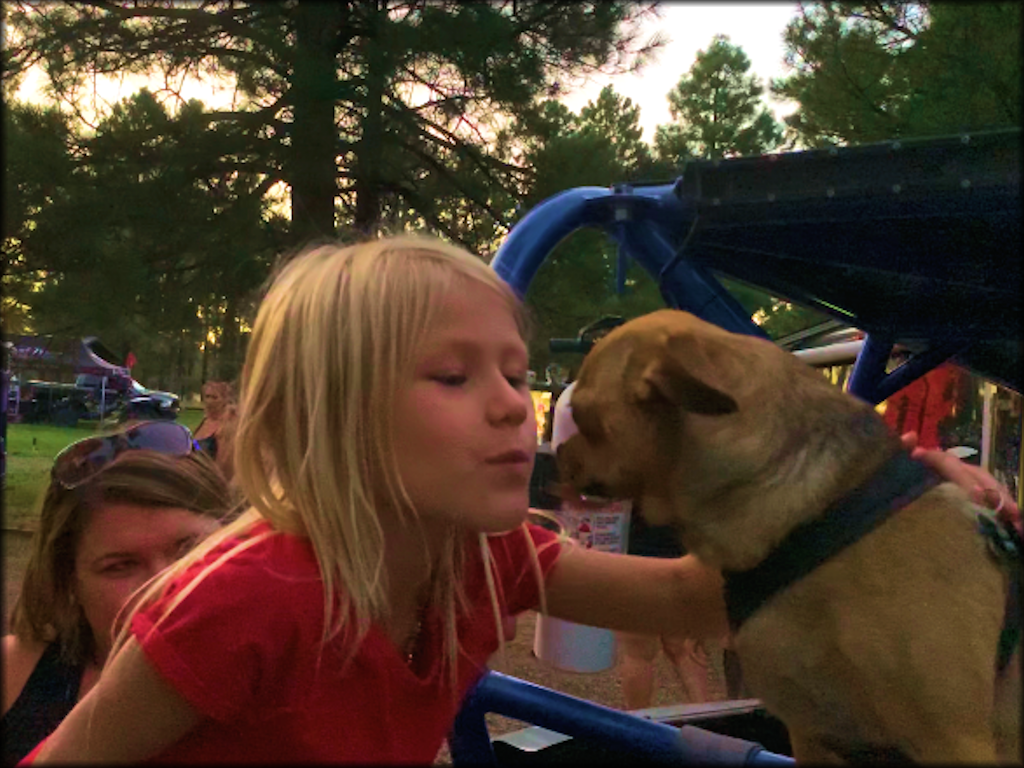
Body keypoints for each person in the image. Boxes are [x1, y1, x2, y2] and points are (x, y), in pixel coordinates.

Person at [26, 235, 1020, 764]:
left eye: (514, 374)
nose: (512, 407)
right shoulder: (241, 601)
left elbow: (700, 598)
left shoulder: (487, 558)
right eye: (454, 378)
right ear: (336, 420)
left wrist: (885, 512)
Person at [2, 421, 236, 765]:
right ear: (69, 583)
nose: (164, 585)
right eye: (120, 566)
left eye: (190, 550)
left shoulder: (291, 688)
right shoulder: (15, 676)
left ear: (236, 542)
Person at [617, 510, 721, 709]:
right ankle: (708, 717)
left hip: (636, 557)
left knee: (638, 654)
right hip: (682, 554)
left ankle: (640, 726)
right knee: (684, 648)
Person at [192, 380, 238, 480]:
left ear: (225, 399)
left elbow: (225, 463)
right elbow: (197, 446)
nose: (210, 401)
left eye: (214, 397)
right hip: (197, 476)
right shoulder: (205, 421)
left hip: (213, 481)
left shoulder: (227, 424)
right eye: (207, 396)